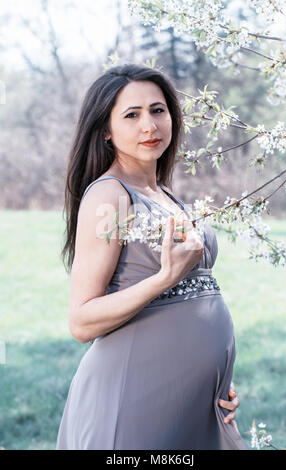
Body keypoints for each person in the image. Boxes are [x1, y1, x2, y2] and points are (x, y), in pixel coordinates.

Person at [56, 63, 249, 450]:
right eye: (132, 115)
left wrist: (212, 377)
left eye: (158, 110)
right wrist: (164, 278)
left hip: (193, 403)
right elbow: (81, 320)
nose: (150, 125)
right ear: (106, 130)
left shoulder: (164, 193)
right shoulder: (109, 196)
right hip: (134, 400)